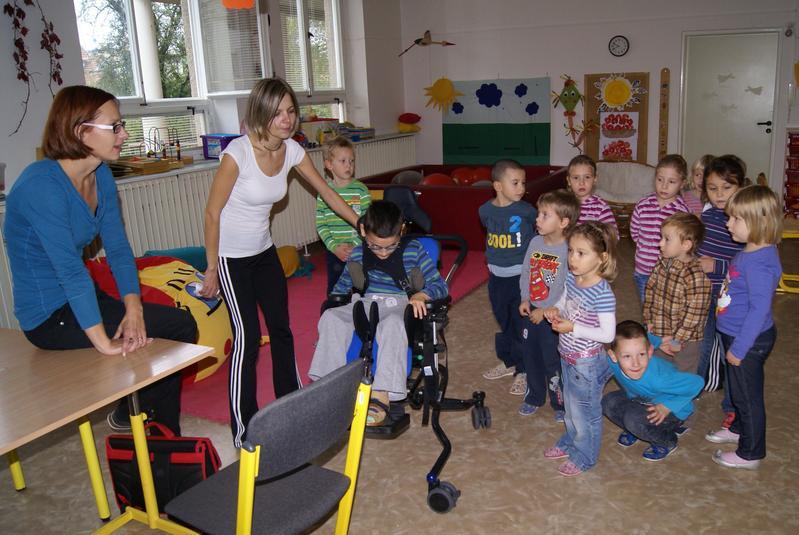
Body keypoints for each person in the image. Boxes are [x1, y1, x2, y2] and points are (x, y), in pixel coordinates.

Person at [3, 85, 198, 435]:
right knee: (173, 328)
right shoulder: (40, 186)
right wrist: (105, 342)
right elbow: (69, 270)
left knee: (176, 325)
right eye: (115, 127)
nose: (124, 135)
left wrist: (134, 309)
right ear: (81, 131)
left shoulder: (100, 174)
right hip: (48, 317)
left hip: (83, 297)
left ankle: (148, 424)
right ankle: (156, 430)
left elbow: (119, 249)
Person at [199, 78, 358, 447]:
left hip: (264, 251)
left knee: (282, 330)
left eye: (290, 111)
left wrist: (361, 224)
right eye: (278, 113)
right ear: (261, 113)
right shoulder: (237, 154)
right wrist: (211, 268)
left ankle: (291, 407)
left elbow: (326, 191)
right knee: (247, 339)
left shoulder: (292, 151)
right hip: (231, 258)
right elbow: (212, 213)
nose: (287, 119)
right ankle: (244, 428)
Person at [308, 200, 447, 425]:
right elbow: (341, 289)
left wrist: (422, 295)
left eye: (390, 246)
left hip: (400, 303)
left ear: (401, 231)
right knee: (331, 318)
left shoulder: (414, 250)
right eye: (375, 246)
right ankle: (327, 389)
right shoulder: (358, 254)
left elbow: (440, 286)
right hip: (366, 303)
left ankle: (383, 394)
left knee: (392, 325)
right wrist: (334, 303)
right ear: (363, 231)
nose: (382, 252)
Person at [705, 185, 782, 470]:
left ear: (759, 222)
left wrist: (739, 349)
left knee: (748, 398)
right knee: (737, 391)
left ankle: (751, 453)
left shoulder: (760, 264)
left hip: (747, 340)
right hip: (735, 334)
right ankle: (737, 428)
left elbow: (758, 311)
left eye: (736, 219)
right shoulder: (750, 250)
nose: (728, 224)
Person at [542, 222, 617, 476]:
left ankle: (586, 455)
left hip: (586, 363)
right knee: (571, 409)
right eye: (571, 251)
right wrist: (556, 309)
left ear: (601, 258)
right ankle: (572, 440)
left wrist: (573, 327)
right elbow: (565, 300)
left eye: (581, 253)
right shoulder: (574, 278)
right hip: (567, 356)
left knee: (585, 413)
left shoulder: (602, 294)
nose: (573, 258)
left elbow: (608, 334)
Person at [514, 190, 580, 420]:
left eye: (545, 215)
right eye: (539, 213)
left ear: (563, 222)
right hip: (531, 309)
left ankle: (559, 402)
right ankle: (534, 396)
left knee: (552, 359)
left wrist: (546, 310)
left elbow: (565, 286)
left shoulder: (568, 250)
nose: (537, 219)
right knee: (530, 354)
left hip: (553, 315)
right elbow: (526, 271)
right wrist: (525, 298)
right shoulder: (535, 242)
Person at [603, 320, 704, 462]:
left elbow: (697, 383)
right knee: (608, 402)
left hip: (672, 410)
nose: (635, 363)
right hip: (642, 400)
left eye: (641, 354)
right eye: (627, 356)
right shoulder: (611, 362)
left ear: (649, 352)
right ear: (613, 356)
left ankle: (666, 441)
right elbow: (643, 341)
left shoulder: (659, 379)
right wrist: (659, 341)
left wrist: (668, 406)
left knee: (633, 420)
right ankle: (635, 430)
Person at [695, 155, 747, 428]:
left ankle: (733, 407)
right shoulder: (706, 217)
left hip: (731, 302)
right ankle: (689, 391)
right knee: (700, 346)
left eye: (727, 188)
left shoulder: (746, 222)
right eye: (713, 188)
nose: (719, 194)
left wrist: (716, 265)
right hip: (704, 296)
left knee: (731, 353)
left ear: (741, 187)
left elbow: (748, 265)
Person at [479, 159, 537, 397]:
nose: (521, 187)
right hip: (496, 277)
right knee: (503, 319)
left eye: (523, 182)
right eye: (515, 183)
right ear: (498, 186)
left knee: (520, 323)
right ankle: (509, 361)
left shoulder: (527, 211)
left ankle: (524, 370)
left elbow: (538, 232)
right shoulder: (485, 210)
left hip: (520, 277)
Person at [643, 212, 711, 376]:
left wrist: (677, 340)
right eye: (661, 237)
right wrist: (649, 320)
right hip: (660, 331)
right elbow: (650, 292)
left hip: (685, 342)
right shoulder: (662, 264)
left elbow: (694, 315)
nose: (660, 243)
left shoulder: (695, 276)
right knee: (659, 370)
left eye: (667, 239)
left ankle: (681, 394)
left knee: (682, 375)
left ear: (686, 245)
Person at [630, 154, 690, 303]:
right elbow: (635, 233)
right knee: (646, 308)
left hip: (668, 273)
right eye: (660, 179)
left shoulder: (682, 212)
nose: (664, 186)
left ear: (682, 183)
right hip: (642, 270)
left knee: (665, 308)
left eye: (671, 182)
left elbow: (684, 243)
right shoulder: (643, 204)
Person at [315, 136, 371, 294]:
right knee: (336, 288)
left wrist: (355, 245)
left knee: (361, 286)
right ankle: (336, 307)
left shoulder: (361, 190)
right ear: (329, 164)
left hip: (358, 248)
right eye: (343, 161)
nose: (349, 165)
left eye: (351, 161)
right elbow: (321, 224)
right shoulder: (324, 193)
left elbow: (367, 222)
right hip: (335, 250)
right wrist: (333, 247)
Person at [566, 154, 618, 234]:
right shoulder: (564, 204)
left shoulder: (601, 207)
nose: (581, 183)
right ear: (569, 181)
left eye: (587, 177)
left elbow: (613, 235)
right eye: (576, 178)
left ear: (595, 179)